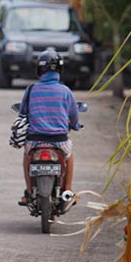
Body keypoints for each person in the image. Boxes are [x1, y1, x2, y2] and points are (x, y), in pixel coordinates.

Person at [20, 48, 81, 204]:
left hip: (35, 140)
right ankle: (67, 190)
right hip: (59, 140)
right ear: (59, 70)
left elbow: (22, 113)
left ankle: (28, 192)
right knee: (69, 155)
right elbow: (74, 116)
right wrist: (76, 125)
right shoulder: (66, 91)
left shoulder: (31, 90)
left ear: (40, 70)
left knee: (27, 158)